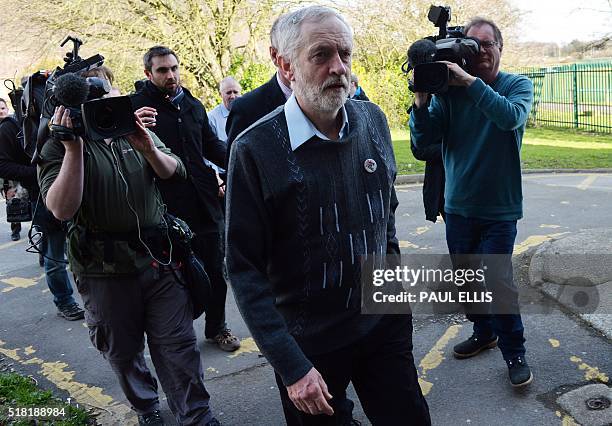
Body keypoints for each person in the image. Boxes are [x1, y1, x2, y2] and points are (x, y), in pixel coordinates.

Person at [226, 6, 431, 425]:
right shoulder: (254, 149)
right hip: (309, 346)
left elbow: (384, 223)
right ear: (284, 65)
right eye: (321, 55)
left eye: (345, 54)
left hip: (382, 329)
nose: (339, 68)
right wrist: (291, 366)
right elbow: (243, 269)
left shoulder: (372, 120)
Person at [37, 102, 221, 426]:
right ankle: (146, 405)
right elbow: (61, 209)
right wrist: (74, 148)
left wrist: (149, 147)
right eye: (93, 103)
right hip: (103, 272)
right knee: (122, 351)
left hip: (158, 260)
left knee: (178, 346)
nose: (105, 109)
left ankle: (197, 416)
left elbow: (174, 170)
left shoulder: (133, 130)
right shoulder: (59, 143)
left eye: (110, 98)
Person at [409, 17, 534, 387]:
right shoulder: (451, 93)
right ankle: (484, 332)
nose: (479, 52)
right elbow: (424, 141)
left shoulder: (517, 86)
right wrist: (422, 98)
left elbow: (509, 118)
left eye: (486, 45)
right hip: (458, 207)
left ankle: (515, 351)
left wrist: (470, 83)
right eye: (471, 45)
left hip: (500, 209)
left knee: (497, 282)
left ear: (500, 48)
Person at [130, 46, 240, 352]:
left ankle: (217, 327)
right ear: (148, 74)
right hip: (163, 209)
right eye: (163, 70)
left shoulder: (191, 104)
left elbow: (210, 145)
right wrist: (130, 124)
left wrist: (238, 160)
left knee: (216, 273)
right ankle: (177, 336)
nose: (171, 75)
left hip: (204, 203)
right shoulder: (136, 108)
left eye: (174, 68)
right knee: (172, 278)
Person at [0, 93, 85, 320]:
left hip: (78, 195)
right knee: (55, 255)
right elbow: (3, 166)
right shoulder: (10, 128)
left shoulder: (63, 117)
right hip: (43, 199)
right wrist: (40, 172)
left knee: (80, 248)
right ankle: (65, 301)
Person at [224, 12, 292, 166]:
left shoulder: (336, 104)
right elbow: (236, 173)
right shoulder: (247, 110)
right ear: (275, 56)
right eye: (295, 50)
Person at [0, 98, 22, 241]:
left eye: (2, 108)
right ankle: (15, 229)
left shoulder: (15, 125)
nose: (1, 111)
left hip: (17, 169)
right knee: (12, 203)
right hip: (6, 175)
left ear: (7, 109)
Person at [208, 77, 242, 142]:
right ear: (221, 95)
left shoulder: (247, 112)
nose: (232, 96)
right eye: (228, 93)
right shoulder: (211, 119)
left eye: (235, 92)